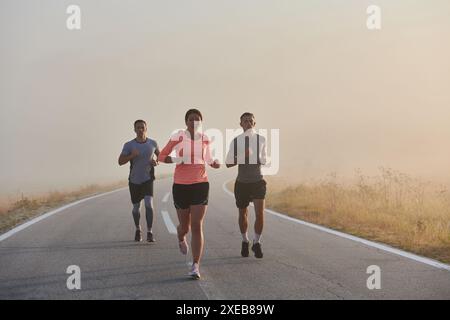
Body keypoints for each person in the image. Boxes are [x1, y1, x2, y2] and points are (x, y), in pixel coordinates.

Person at [158, 109, 220, 280]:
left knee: (197, 224)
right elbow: (162, 156)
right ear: (186, 122)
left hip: (200, 183)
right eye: (191, 119)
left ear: (201, 122)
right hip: (180, 185)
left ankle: (195, 265)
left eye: (197, 119)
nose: (194, 122)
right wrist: (179, 160)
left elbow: (208, 158)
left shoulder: (206, 138)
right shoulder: (178, 137)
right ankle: (180, 238)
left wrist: (214, 163)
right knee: (184, 227)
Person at [226, 112, 267, 258]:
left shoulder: (261, 140)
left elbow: (264, 160)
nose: (248, 123)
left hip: (258, 181)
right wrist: (243, 156)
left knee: (260, 214)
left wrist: (259, 157)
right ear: (241, 124)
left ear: (254, 124)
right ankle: (245, 240)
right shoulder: (236, 141)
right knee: (243, 214)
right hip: (242, 182)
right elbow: (228, 163)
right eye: (245, 121)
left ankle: (257, 242)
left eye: (251, 121)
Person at [118, 120, 160, 243]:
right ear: (134, 130)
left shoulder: (153, 143)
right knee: (136, 209)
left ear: (146, 128)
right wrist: (131, 156)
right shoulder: (129, 145)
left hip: (148, 179)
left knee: (148, 205)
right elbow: (120, 161)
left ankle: (150, 232)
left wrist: (156, 162)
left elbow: (160, 156)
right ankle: (138, 229)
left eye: (142, 127)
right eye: (138, 128)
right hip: (134, 180)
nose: (140, 129)